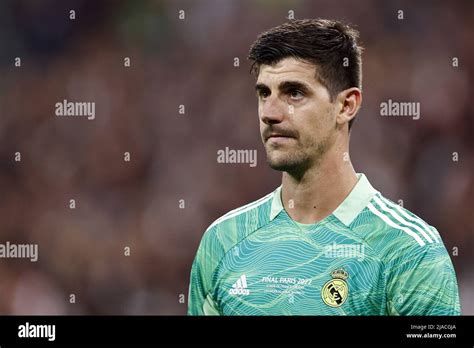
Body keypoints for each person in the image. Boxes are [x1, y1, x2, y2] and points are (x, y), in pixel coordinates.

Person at [188, 19, 460, 315]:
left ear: (346, 106)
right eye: (264, 93)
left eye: (294, 93)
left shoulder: (409, 252)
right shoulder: (223, 241)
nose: (270, 113)